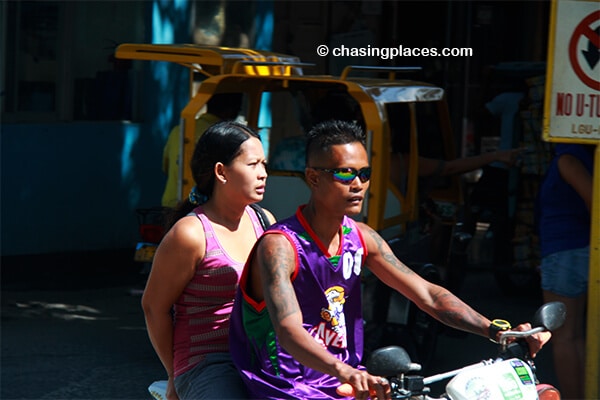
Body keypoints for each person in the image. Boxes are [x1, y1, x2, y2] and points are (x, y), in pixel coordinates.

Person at [229, 120, 551, 400]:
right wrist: (345, 371)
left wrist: (496, 330)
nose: (358, 184)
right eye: (344, 173)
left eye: (364, 173)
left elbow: (427, 295)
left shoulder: (362, 238)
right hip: (287, 389)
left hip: (345, 386)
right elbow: (288, 330)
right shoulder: (279, 246)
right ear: (313, 178)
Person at [142, 121, 275, 400]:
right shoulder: (190, 234)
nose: (263, 174)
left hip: (260, 356)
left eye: (264, 164)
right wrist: (173, 375)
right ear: (221, 172)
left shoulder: (265, 221)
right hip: (208, 363)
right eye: (253, 165)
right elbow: (154, 308)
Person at [537, 143, 594, 400]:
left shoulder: (569, 158)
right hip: (574, 249)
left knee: (564, 336)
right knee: (574, 336)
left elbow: (595, 201)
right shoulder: (578, 157)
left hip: (566, 251)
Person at [161, 93, 243, 207]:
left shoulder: (178, 130)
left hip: (170, 203)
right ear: (231, 110)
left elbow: (166, 167)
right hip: (201, 206)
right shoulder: (224, 137)